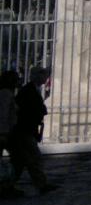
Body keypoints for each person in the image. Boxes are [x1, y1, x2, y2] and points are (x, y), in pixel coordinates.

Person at [6, 66, 54, 195]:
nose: (46, 78)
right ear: (38, 76)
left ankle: (8, 186)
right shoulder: (28, 91)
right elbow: (26, 110)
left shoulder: (32, 89)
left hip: (26, 130)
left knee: (20, 161)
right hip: (24, 130)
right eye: (44, 75)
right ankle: (41, 184)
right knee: (34, 157)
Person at [0, 69, 17, 200]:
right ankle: (6, 187)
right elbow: (4, 114)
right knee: (16, 157)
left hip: (5, 131)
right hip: (4, 132)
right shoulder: (6, 93)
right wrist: (4, 133)